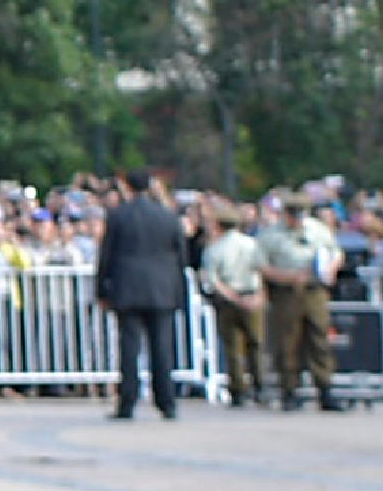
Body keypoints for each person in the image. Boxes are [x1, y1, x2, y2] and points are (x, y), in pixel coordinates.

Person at [95, 172, 187, 422]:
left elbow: (107, 255)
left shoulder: (119, 216)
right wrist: (178, 290)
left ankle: (128, 401)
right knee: (162, 347)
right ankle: (167, 402)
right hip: (162, 288)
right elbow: (180, 256)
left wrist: (101, 289)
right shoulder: (168, 216)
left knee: (129, 347)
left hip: (127, 287)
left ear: (127, 187)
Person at [256, 193, 341, 411]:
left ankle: (325, 388)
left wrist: (330, 269)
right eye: (293, 214)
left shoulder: (318, 230)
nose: (297, 219)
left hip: (315, 290)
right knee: (288, 341)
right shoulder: (270, 235)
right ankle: (289, 390)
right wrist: (288, 277)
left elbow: (336, 253)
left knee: (319, 337)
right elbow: (262, 266)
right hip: (287, 292)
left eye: (300, 214)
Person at [196, 197, 268, 406]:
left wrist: (233, 298)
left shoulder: (214, 249)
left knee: (233, 346)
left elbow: (213, 280)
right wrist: (260, 295)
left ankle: (238, 389)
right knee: (256, 343)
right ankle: (260, 385)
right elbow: (263, 270)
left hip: (229, 299)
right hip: (252, 294)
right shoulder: (252, 244)